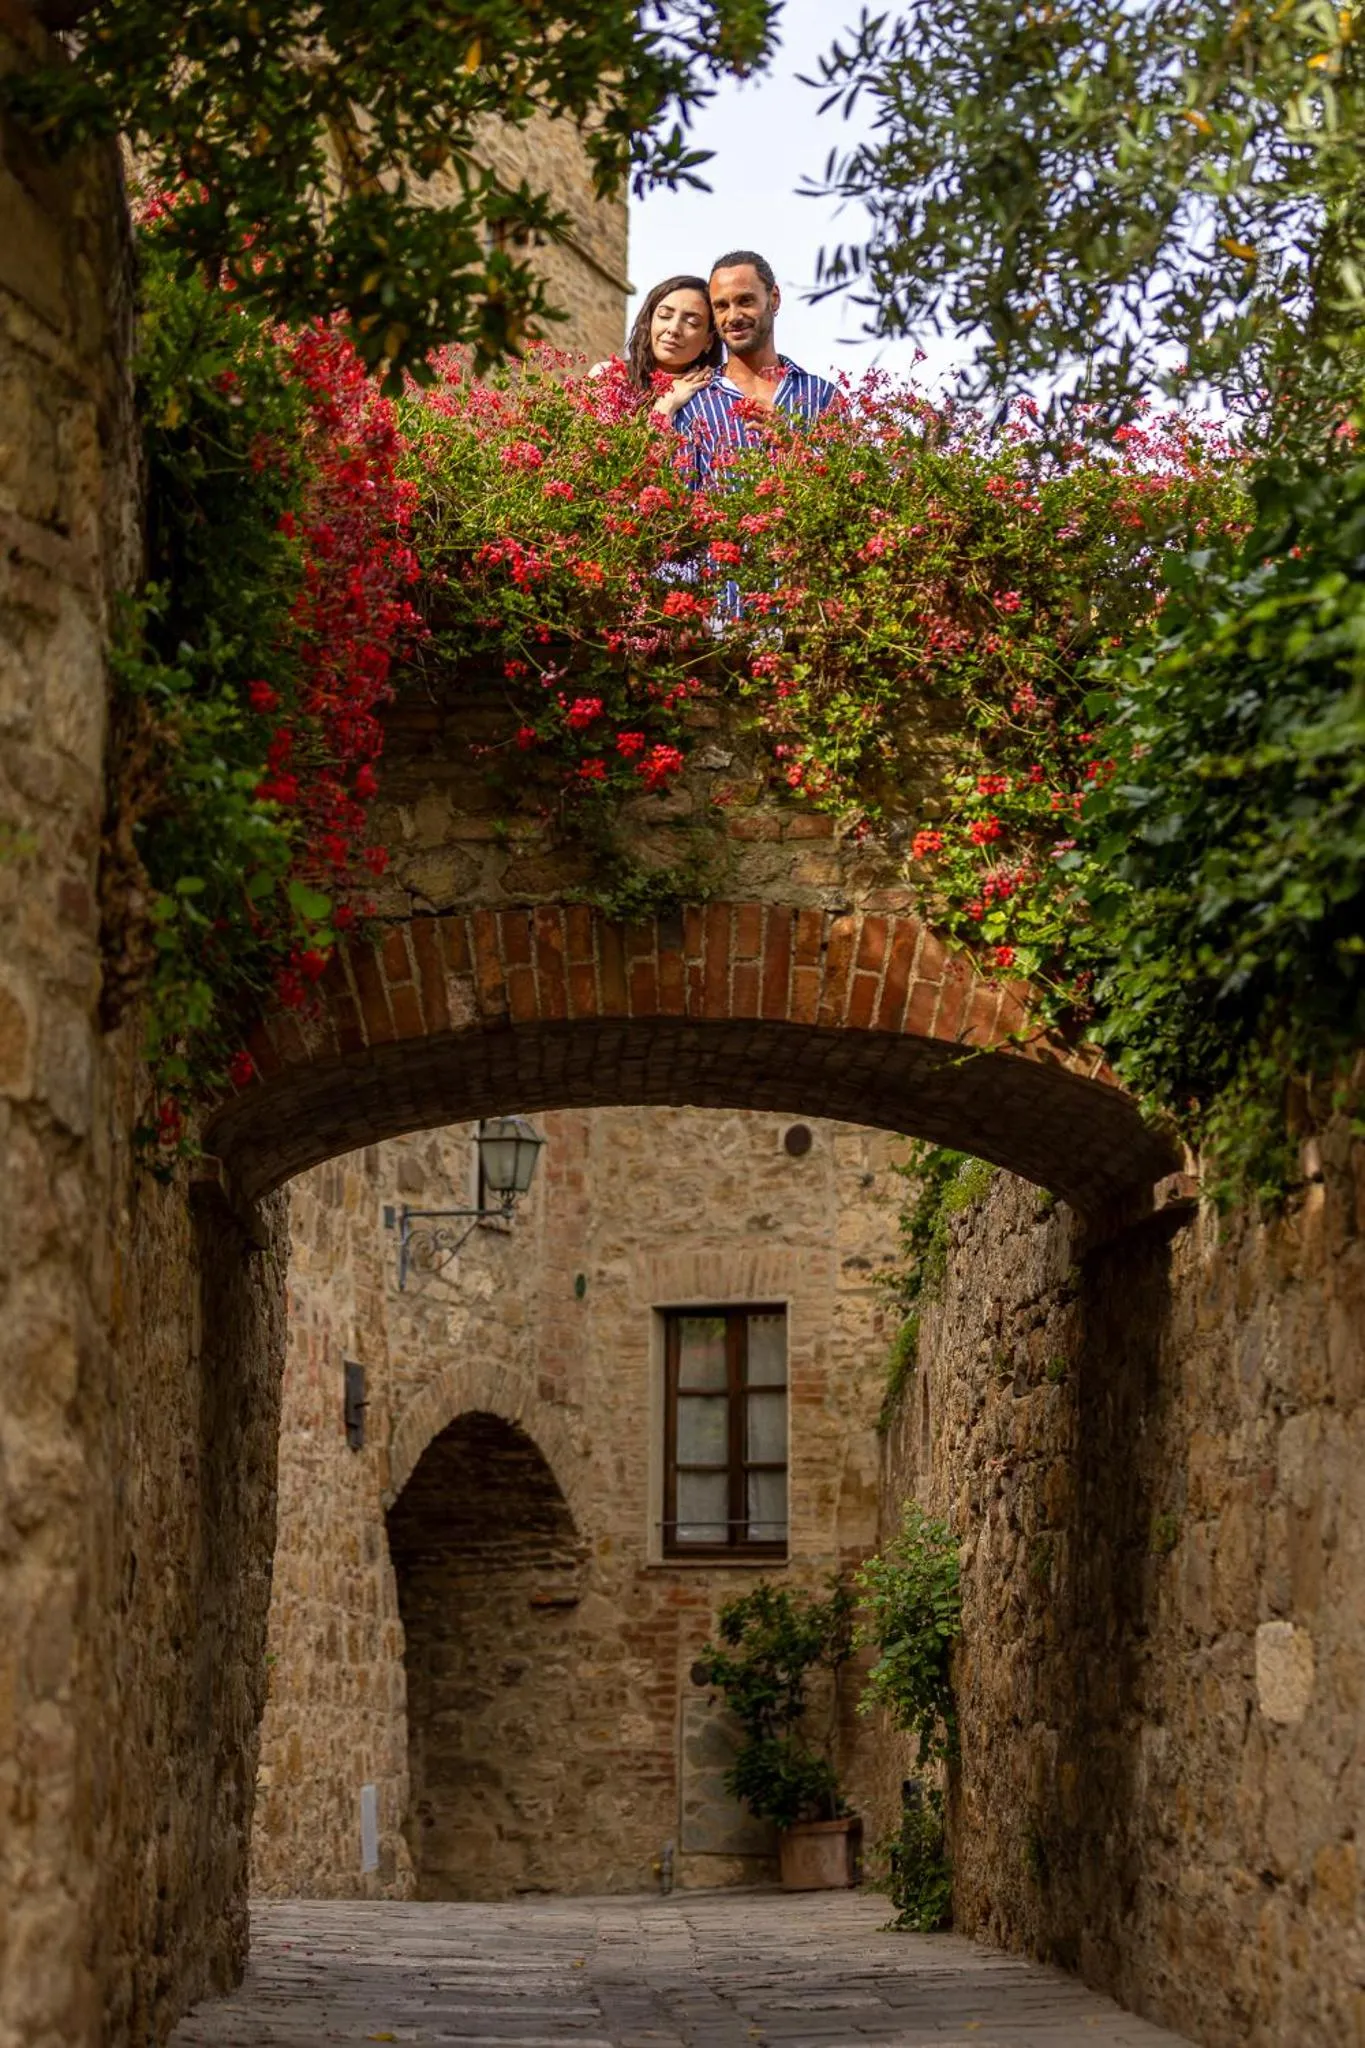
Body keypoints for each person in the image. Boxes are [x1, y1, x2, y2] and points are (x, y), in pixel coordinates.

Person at [671, 250, 840, 486]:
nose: (733, 316)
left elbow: (850, 493)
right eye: (721, 306)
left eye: (745, 301)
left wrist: (793, 446)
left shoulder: (821, 395)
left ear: (774, 298)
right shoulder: (693, 403)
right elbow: (680, 502)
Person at [591, 274, 723, 421]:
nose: (673, 329)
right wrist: (666, 406)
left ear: (709, 341)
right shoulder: (607, 376)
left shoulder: (713, 396)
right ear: (649, 322)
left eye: (692, 322)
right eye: (665, 315)